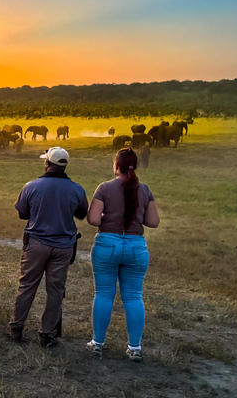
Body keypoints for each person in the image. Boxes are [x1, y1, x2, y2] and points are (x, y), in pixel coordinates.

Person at [86, 148, 160, 362]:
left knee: (104, 294)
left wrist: (107, 215)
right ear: (134, 166)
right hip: (136, 247)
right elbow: (153, 222)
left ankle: (98, 343)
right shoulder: (145, 190)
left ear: (116, 165)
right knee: (134, 297)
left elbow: (93, 219)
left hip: (107, 244)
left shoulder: (104, 188)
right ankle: (134, 347)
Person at [9, 147, 88, 346]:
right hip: (63, 246)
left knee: (27, 285)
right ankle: (47, 334)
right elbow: (81, 213)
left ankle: (16, 327)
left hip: (36, 243)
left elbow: (22, 214)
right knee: (55, 291)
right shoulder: (77, 189)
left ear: (47, 163)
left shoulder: (31, 186)